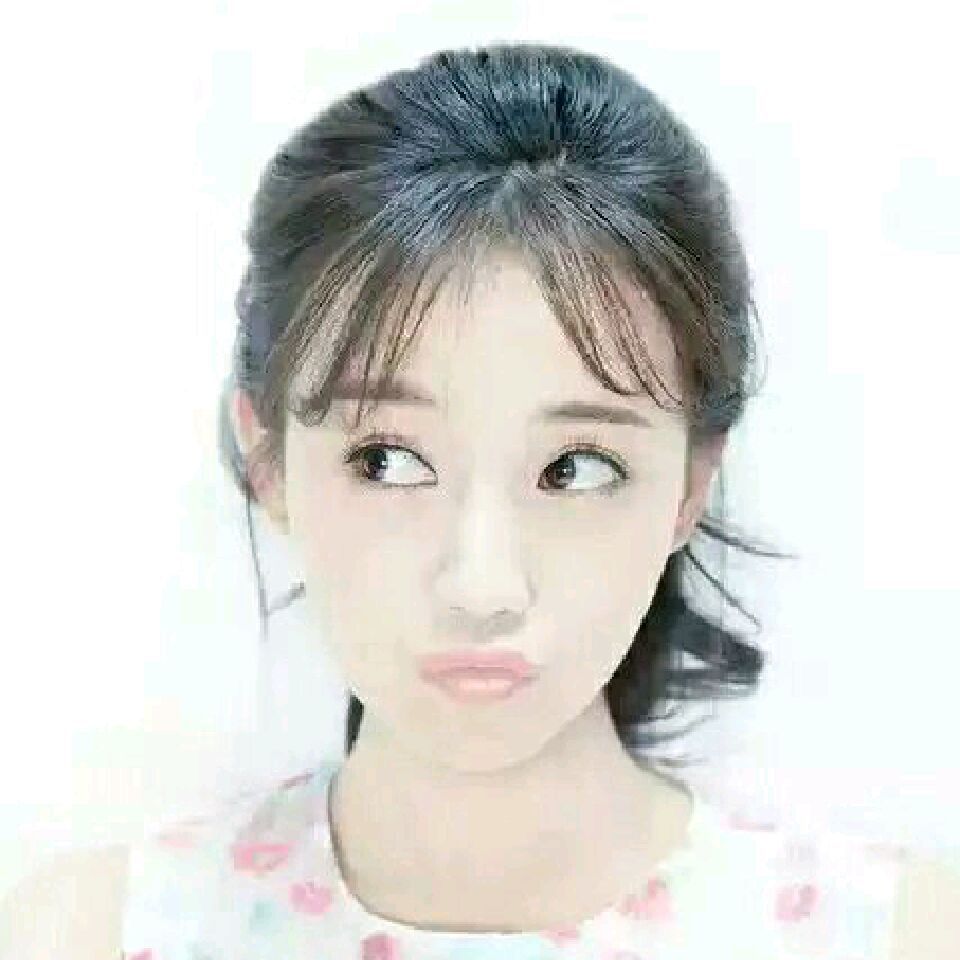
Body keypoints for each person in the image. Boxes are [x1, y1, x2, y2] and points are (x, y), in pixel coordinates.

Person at [3, 42, 958, 960]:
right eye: (387, 461)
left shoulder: (895, 938)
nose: (482, 586)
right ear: (269, 459)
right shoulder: (91, 935)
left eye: (576, 468)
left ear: (689, 486)